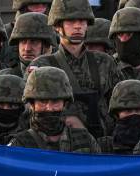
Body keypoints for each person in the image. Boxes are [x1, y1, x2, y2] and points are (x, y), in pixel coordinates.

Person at [26, 0, 122, 142]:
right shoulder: (41, 66)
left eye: (82, 21)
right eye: (71, 21)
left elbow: (119, 107)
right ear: (58, 26)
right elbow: (29, 112)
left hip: (100, 144)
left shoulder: (105, 62)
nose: (78, 26)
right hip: (56, 145)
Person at [0, 12, 54, 78]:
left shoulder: (57, 76)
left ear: (46, 46)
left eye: (34, 42)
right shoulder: (3, 77)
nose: (27, 49)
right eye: (23, 42)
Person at [107, 79, 140, 154]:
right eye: (128, 111)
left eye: (139, 110)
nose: (134, 115)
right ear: (116, 115)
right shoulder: (105, 146)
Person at [2, 0, 52, 68]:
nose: (27, 48)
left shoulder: (58, 32)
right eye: (34, 5)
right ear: (22, 7)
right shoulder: (4, 34)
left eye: (43, 5)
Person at [0, 74, 27, 144]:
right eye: (0, 105)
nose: (5, 109)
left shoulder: (28, 134)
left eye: (12, 106)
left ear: (21, 108)